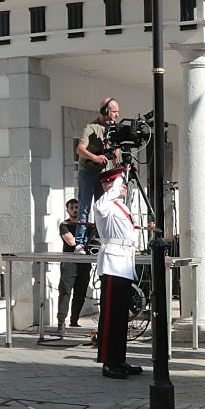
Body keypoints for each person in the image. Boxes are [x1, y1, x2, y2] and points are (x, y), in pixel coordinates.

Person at [82, 166, 141, 380]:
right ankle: (108, 362)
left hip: (124, 263)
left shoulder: (120, 206)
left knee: (120, 317)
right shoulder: (104, 205)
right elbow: (99, 205)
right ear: (109, 185)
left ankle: (119, 359)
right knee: (109, 318)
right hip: (113, 263)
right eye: (119, 182)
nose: (123, 185)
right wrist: (114, 186)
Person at [75, 98, 120, 214]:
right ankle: (82, 232)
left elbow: (116, 156)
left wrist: (117, 170)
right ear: (105, 111)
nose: (117, 115)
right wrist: (95, 157)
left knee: (102, 207)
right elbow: (79, 149)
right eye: (114, 112)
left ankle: (99, 232)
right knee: (84, 208)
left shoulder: (114, 129)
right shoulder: (91, 127)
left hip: (104, 174)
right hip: (87, 172)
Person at [55, 197, 94, 333]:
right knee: (65, 292)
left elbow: (94, 241)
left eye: (77, 207)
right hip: (69, 263)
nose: (74, 210)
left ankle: (74, 320)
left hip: (84, 264)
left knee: (80, 293)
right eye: (71, 207)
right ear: (67, 210)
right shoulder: (64, 225)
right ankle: (61, 322)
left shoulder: (89, 225)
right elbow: (71, 241)